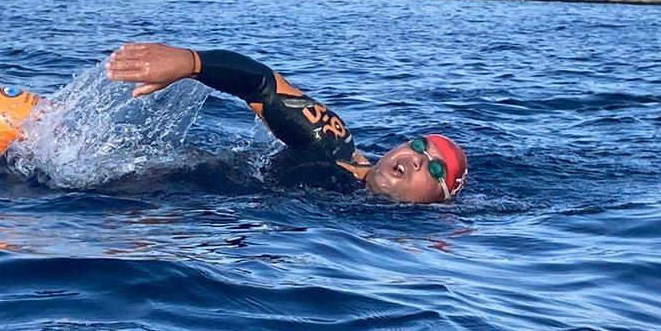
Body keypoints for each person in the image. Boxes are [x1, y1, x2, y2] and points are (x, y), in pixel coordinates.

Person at [106, 43, 467, 204]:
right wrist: (191, 62)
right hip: (199, 183)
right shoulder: (332, 140)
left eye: (435, 169)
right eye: (419, 145)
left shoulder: (368, 235)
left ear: (440, 201)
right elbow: (261, 84)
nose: (419, 158)